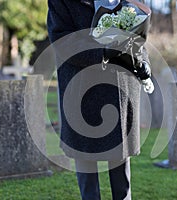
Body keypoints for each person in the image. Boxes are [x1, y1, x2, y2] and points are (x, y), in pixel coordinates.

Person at [47, 0, 152, 199]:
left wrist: (144, 63)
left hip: (120, 87)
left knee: (121, 166)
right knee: (86, 164)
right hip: (81, 88)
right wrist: (101, 52)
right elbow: (61, 39)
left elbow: (138, 40)